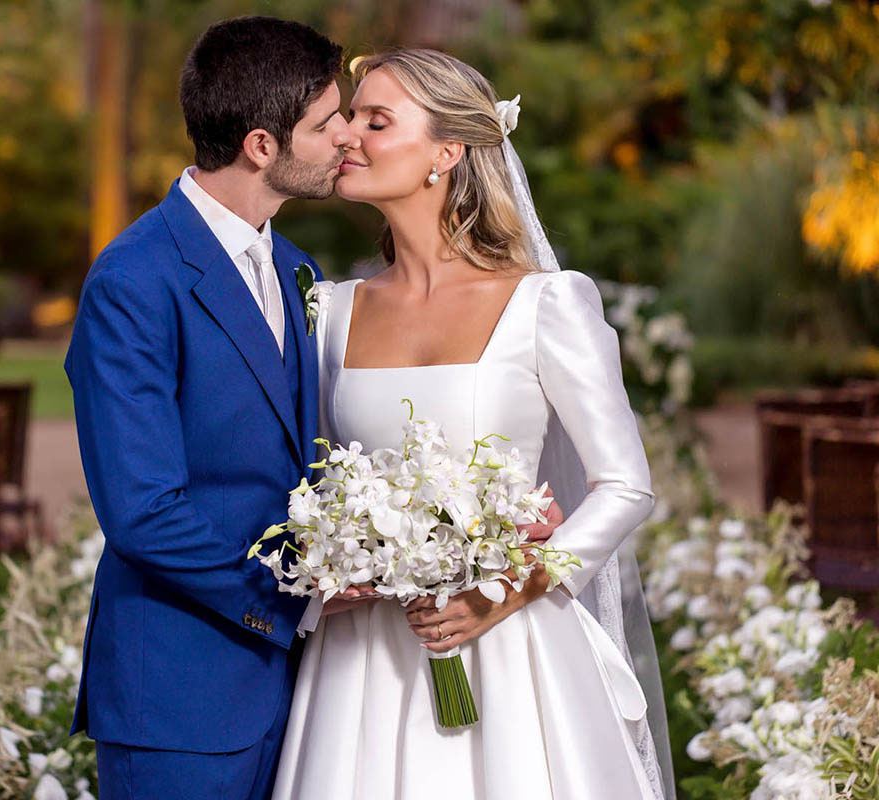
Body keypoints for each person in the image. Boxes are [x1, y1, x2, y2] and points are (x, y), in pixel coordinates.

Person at [270, 49, 673, 800]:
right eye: (350, 116)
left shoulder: (547, 305)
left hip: (512, 648)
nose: (347, 135)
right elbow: (310, 477)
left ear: (446, 152)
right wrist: (332, 566)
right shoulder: (330, 313)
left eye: (376, 120)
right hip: (363, 665)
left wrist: (505, 590)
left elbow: (625, 486)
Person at [65, 16, 363, 800]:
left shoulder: (299, 269)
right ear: (263, 145)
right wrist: (292, 604)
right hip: (180, 695)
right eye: (327, 121)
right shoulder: (134, 280)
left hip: (302, 697)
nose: (346, 138)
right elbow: (143, 511)